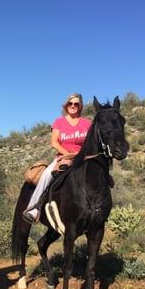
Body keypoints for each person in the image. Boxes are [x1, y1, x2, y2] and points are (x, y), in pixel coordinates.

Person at [22, 93, 91, 223]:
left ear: (80, 106)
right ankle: (33, 208)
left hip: (83, 157)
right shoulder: (59, 122)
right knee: (47, 174)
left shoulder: (87, 123)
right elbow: (54, 142)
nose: (73, 106)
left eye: (76, 104)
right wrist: (67, 154)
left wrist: (80, 154)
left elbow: (90, 142)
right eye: (70, 103)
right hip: (63, 157)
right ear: (66, 106)